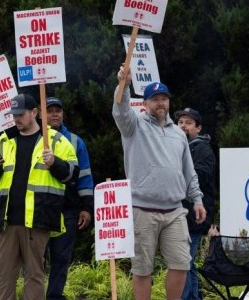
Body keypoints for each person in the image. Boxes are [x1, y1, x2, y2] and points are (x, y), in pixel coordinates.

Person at [112, 66, 207, 300]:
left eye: (164, 99)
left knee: (182, 263)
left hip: (175, 210)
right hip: (142, 209)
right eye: (155, 99)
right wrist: (123, 85)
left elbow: (188, 170)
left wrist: (197, 199)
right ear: (145, 103)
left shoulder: (178, 134)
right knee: (142, 268)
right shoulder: (133, 126)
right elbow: (120, 111)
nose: (160, 103)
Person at [0, 94, 79, 300]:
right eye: (13, 115)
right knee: (4, 277)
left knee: (34, 276)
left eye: (20, 114)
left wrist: (55, 163)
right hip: (6, 221)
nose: (16, 119)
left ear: (34, 113)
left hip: (37, 220)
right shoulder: (4, 139)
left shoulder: (56, 140)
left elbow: (73, 174)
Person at [44, 97, 94, 300]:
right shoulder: (34, 139)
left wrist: (87, 208)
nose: (55, 114)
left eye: (58, 110)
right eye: (50, 110)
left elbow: (85, 176)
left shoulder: (75, 141)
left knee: (61, 258)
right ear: (41, 114)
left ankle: (54, 296)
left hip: (67, 209)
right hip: (38, 209)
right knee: (35, 260)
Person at [174, 107, 216, 300]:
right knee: (185, 263)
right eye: (180, 122)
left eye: (188, 123)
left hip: (194, 217)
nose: (183, 126)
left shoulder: (202, 149)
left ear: (198, 128)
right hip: (181, 215)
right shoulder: (176, 146)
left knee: (184, 263)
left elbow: (199, 177)